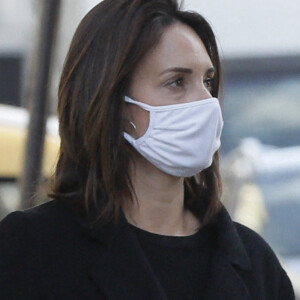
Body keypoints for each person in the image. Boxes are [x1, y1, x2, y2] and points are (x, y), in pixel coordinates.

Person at [0, 0, 295, 299]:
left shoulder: (255, 264)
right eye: (176, 82)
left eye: (208, 81)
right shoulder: (32, 248)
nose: (205, 101)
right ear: (112, 104)